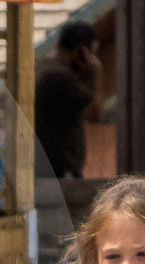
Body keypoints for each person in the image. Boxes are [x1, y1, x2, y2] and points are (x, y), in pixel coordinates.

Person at [35, 16, 102, 179]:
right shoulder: (61, 77)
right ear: (81, 52)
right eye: (92, 54)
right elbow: (94, 114)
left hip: (49, 167)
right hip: (61, 168)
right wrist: (96, 76)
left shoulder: (46, 68)